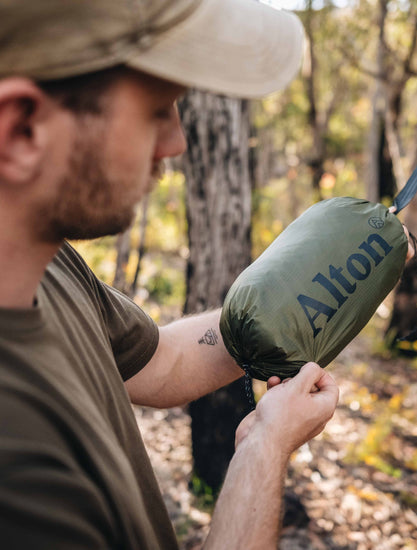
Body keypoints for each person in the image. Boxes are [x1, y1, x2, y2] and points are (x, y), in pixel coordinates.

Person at [0, 1, 339, 549]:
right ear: (21, 130)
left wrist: (315, 291)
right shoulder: (18, 472)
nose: (176, 143)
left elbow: (161, 362)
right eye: (158, 109)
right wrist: (264, 449)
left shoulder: (44, 262)